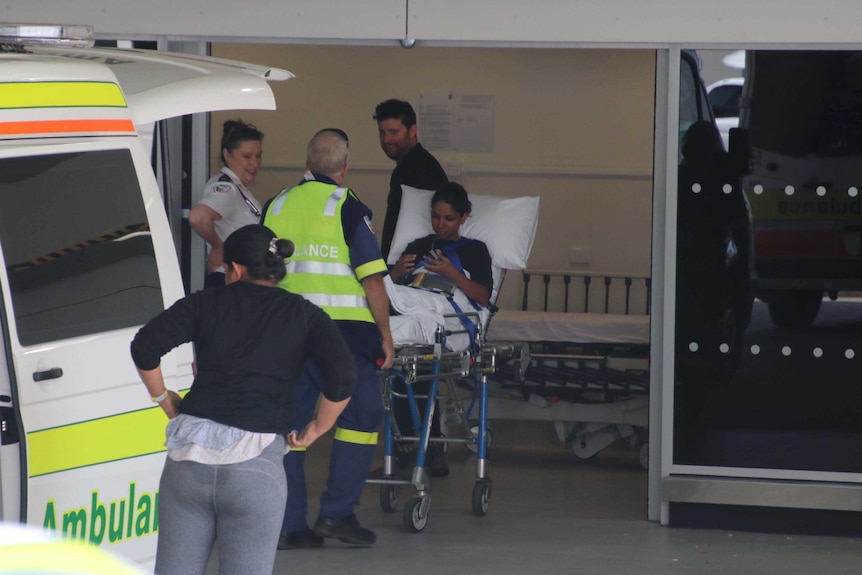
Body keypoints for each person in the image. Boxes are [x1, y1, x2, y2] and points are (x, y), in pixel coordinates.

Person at [130, 224, 356, 575]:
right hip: (256, 468)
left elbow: (144, 347)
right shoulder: (304, 313)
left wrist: (163, 398)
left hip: (189, 462)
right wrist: (316, 428)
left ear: (235, 269)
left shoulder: (204, 303)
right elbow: (343, 375)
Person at [263, 128, 395, 549]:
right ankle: (337, 515)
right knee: (361, 416)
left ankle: (288, 525)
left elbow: (259, 273)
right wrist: (387, 336)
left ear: (307, 163)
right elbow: (372, 280)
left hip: (285, 334)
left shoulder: (276, 204)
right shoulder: (348, 206)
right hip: (344, 336)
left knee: (291, 423)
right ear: (344, 168)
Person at [389, 181, 493, 476]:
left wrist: (453, 274)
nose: (441, 224)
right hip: (409, 303)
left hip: (444, 314)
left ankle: (429, 446)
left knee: (419, 369)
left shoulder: (475, 251)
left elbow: (483, 297)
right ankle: (411, 448)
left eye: (449, 218)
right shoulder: (418, 247)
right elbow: (394, 286)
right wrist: (395, 273)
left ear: (464, 217)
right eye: (436, 217)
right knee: (405, 373)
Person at [189, 119, 264, 288]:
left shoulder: (237, 189)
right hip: (228, 282)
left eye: (258, 156)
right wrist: (219, 247)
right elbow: (198, 217)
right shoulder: (226, 188)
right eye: (247, 156)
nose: (255, 163)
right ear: (227, 155)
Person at [373, 99, 449, 261]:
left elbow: (422, 228)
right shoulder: (410, 166)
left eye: (393, 132)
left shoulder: (421, 169)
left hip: (413, 264)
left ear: (412, 130)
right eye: (382, 132)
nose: (386, 140)